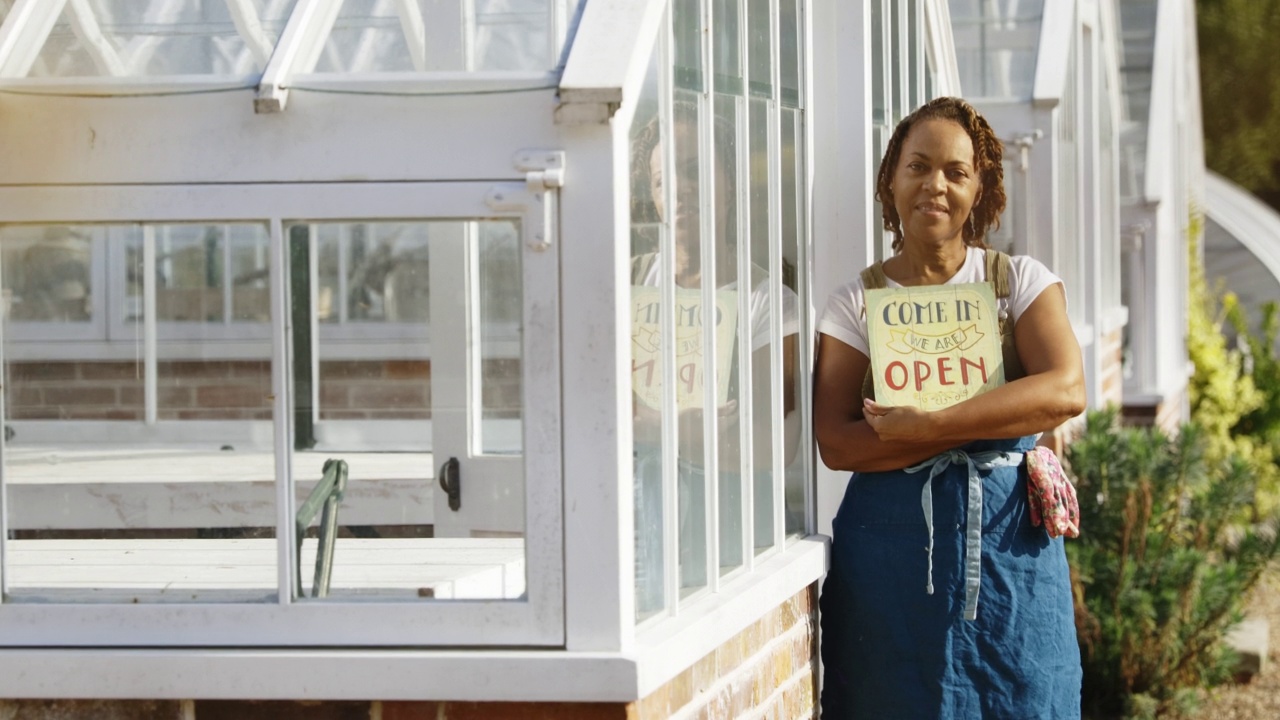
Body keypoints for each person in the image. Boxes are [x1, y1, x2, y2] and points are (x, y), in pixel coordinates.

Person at [813, 96, 1086, 717]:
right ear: (891, 178)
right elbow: (837, 442)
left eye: (956, 172)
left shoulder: (1019, 282)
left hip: (1011, 555)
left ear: (980, 188)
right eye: (918, 166)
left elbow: (1065, 389)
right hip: (890, 564)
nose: (935, 185)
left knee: (1023, 697)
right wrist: (999, 416)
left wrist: (927, 426)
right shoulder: (856, 302)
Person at [630, 103, 800, 615]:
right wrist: (693, 427)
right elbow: (600, 424)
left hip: (736, 544)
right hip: (640, 540)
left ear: (730, 183)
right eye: (662, 180)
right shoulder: (631, 286)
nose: (678, 189)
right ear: (653, 197)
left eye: (695, 170)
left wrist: (653, 425)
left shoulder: (768, 302)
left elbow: (773, 445)